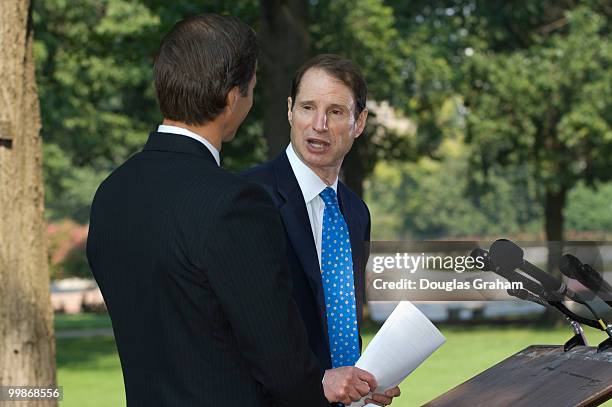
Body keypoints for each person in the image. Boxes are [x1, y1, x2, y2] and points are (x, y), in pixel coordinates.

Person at [86, 14, 327, 407]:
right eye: (251, 89)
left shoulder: (112, 193)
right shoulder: (235, 204)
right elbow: (283, 368)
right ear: (233, 97)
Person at [244, 54, 401, 406]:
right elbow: (234, 333)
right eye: (307, 108)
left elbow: (341, 320)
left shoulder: (357, 213)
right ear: (289, 110)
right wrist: (315, 383)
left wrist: (362, 383)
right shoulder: (249, 199)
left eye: (334, 112)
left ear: (358, 122)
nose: (318, 125)